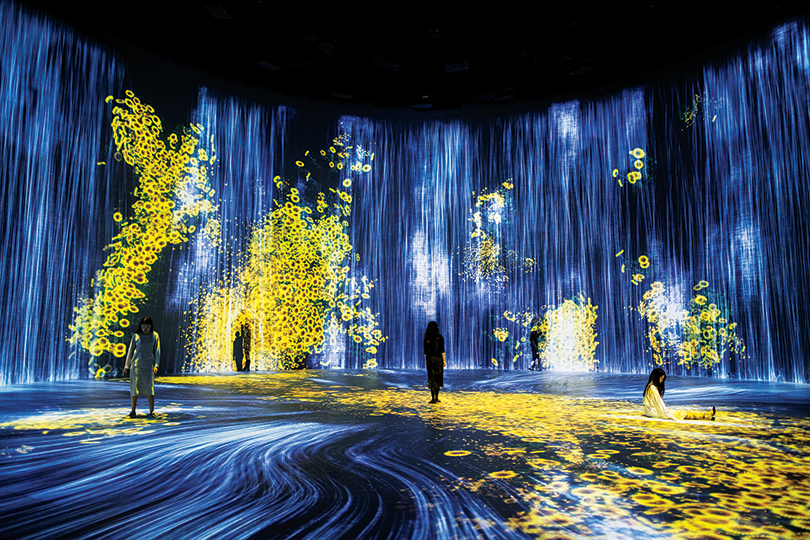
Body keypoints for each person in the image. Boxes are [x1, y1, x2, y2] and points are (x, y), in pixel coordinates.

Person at [123, 317, 161, 418]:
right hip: (136, 366)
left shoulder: (155, 336)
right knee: (135, 389)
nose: (145, 329)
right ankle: (133, 411)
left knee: (150, 389)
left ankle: (152, 411)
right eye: (144, 327)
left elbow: (157, 352)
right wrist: (126, 366)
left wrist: (156, 365)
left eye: (147, 327)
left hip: (149, 366)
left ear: (150, 327)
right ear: (140, 326)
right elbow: (130, 352)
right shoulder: (136, 336)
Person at [643, 368, 715, 420]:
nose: (661, 381)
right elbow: (659, 403)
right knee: (683, 414)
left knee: (682, 413)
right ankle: (706, 416)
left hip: (651, 413)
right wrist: (668, 416)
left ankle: (706, 415)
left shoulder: (649, 387)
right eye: (661, 379)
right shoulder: (653, 388)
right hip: (655, 414)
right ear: (657, 378)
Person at [423, 321, 446, 404]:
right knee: (438, 378)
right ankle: (437, 397)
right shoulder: (440, 338)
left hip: (430, 360)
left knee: (432, 378)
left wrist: (426, 361)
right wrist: (444, 360)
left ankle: (433, 398)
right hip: (438, 359)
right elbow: (442, 350)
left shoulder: (426, 338)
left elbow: (425, 352)